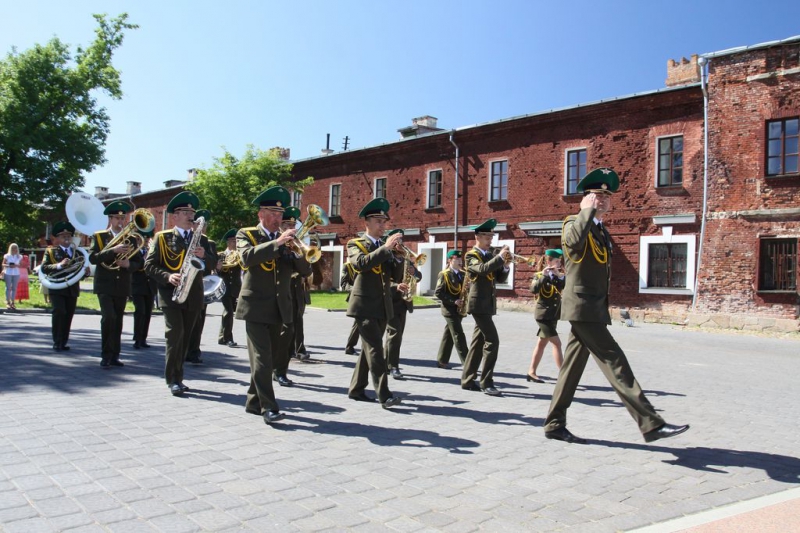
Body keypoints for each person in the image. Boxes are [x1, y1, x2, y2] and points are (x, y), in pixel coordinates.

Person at [544, 168, 689, 445]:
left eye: (607, 196)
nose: (604, 200)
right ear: (586, 198)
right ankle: (650, 423)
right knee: (615, 361)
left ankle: (554, 423)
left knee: (571, 369)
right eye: (598, 195)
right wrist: (585, 212)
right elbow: (573, 245)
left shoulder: (600, 229)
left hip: (593, 306)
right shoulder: (572, 222)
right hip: (582, 307)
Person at [235, 186, 311, 425]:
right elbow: (246, 258)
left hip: (281, 307)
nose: (278, 218)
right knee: (262, 358)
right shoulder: (246, 234)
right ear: (261, 214)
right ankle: (269, 407)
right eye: (273, 213)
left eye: (280, 214)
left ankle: (253, 400)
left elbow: (307, 270)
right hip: (255, 306)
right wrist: (277, 243)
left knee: (269, 359)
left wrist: (298, 251)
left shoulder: (290, 239)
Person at [145, 191, 206, 396]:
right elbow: (149, 266)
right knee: (175, 335)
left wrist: (205, 256)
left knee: (186, 338)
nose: (191, 216)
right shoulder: (162, 238)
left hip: (193, 295)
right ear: (175, 215)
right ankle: (173, 379)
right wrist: (167, 276)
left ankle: (179, 375)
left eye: (193, 212)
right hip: (170, 294)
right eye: (186, 212)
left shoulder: (201, 239)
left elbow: (214, 263)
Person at [346, 197, 403, 409]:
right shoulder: (355, 244)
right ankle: (384, 395)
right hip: (364, 305)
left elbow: (395, 275)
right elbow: (361, 264)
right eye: (378, 221)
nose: (383, 225)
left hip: (382, 304)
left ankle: (356, 389)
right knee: (376, 350)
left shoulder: (384, 246)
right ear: (366, 223)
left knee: (368, 349)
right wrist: (386, 249)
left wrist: (398, 258)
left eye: (384, 221)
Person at [89, 201, 142, 368]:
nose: (120, 221)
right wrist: (113, 250)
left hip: (122, 285)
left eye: (123, 218)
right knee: (109, 317)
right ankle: (105, 354)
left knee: (118, 320)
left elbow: (139, 262)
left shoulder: (132, 238)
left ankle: (115, 355)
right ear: (110, 219)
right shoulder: (99, 236)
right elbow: (93, 258)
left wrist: (128, 265)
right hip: (104, 285)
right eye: (117, 218)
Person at [461, 219, 510, 396]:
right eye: (486, 236)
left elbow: (499, 278)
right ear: (477, 237)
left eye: (491, 236)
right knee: (493, 341)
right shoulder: (471, 255)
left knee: (478, 342)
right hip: (478, 304)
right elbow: (481, 270)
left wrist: (505, 266)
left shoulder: (489, 255)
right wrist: (499, 257)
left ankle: (467, 379)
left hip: (487, 304)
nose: (490, 239)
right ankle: (486, 381)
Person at [40, 221, 89, 351]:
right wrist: (60, 265)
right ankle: (57, 341)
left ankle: (63, 341)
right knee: (59, 312)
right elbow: (44, 268)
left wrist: (85, 272)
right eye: (63, 236)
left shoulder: (77, 252)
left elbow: (79, 270)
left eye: (68, 236)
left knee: (68, 315)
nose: (66, 238)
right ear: (56, 239)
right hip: (57, 287)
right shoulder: (51, 251)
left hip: (72, 288)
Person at [384, 229, 422, 380]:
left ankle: (387, 363)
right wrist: (396, 285)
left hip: (404, 302)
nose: (400, 244)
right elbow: (382, 279)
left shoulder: (407, 258)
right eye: (397, 241)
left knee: (397, 335)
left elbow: (419, 276)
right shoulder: (387, 258)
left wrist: (414, 273)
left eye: (401, 241)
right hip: (390, 300)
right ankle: (393, 366)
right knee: (394, 333)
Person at [526, 249, 566, 383]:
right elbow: (533, 289)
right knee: (557, 343)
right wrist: (544, 275)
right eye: (556, 261)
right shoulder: (539, 275)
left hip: (553, 315)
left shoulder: (557, 276)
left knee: (541, 344)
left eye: (560, 261)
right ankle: (564, 375)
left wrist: (558, 275)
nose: (559, 263)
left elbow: (563, 286)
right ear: (548, 262)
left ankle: (531, 372)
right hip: (543, 315)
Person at [186, 209, 217, 365]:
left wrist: (204, 255)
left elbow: (213, 264)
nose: (201, 227)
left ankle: (194, 350)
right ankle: (182, 349)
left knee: (198, 320)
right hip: (183, 282)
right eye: (198, 223)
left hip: (200, 285)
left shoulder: (207, 242)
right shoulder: (183, 237)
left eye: (204, 224)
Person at [280, 207, 311, 361]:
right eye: (286, 225)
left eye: (292, 226)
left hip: (297, 285)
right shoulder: (275, 242)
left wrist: (300, 253)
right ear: (280, 226)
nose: (290, 228)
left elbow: (307, 270)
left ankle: (298, 348)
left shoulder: (297, 242)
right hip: (281, 286)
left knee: (297, 317)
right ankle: (286, 350)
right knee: (284, 321)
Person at [434, 250, 468, 369]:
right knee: (458, 334)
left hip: (459, 309)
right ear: (449, 260)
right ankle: (467, 362)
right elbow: (438, 293)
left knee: (449, 334)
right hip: (449, 310)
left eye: (460, 259)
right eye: (456, 259)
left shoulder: (463, 274)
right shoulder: (444, 274)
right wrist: (453, 301)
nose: (460, 261)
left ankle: (442, 360)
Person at [131, 231, 157, 349]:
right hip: (137, 285)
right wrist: (144, 258)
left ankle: (143, 339)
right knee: (140, 311)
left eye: (147, 240)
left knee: (147, 313)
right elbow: (134, 266)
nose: (145, 242)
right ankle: (137, 338)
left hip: (150, 286)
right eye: (143, 240)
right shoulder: (134, 252)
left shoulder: (152, 252)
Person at [216, 229, 241, 348]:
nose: (235, 243)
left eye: (236, 240)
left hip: (235, 287)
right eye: (232, 241)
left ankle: (222, 336)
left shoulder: (239, 254)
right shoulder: (221, 255)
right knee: (229, 311)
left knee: (228, 312)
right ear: (227, 242)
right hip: (224, 286)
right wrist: (218, 267)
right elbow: (217, 271)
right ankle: (228, 338)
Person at [341, 262, 360, 355]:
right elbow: (344, 284)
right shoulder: (347, 266)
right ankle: (350, 346)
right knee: (359, 322)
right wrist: (357, 289)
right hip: (357, 297)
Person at [3, 243, 23, 309]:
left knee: (14, 288)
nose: (14, 249)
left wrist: (16, 265)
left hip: (16, 273)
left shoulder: (19, 256)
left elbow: (21, 264)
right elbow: (3, 264)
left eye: (15, 248)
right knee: (8, 287)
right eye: (13, 248)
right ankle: (8, 302)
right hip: (8, 272)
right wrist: (9, 265)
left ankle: (13, 302)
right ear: (10, 249)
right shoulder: (7, 256)